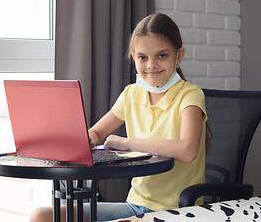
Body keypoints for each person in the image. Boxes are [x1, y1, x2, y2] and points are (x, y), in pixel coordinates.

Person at [29, 13, 208, 222]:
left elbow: (187, 150)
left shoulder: (190, 95)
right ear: (134, 58)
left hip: (177, 212)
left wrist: (127, 143)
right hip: (135, 206)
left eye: (162, 55)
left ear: (178, 56)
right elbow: (96, 132)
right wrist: (87, 138)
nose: (151, 65)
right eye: (143, 57)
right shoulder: (131, 94)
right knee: (41, 216)